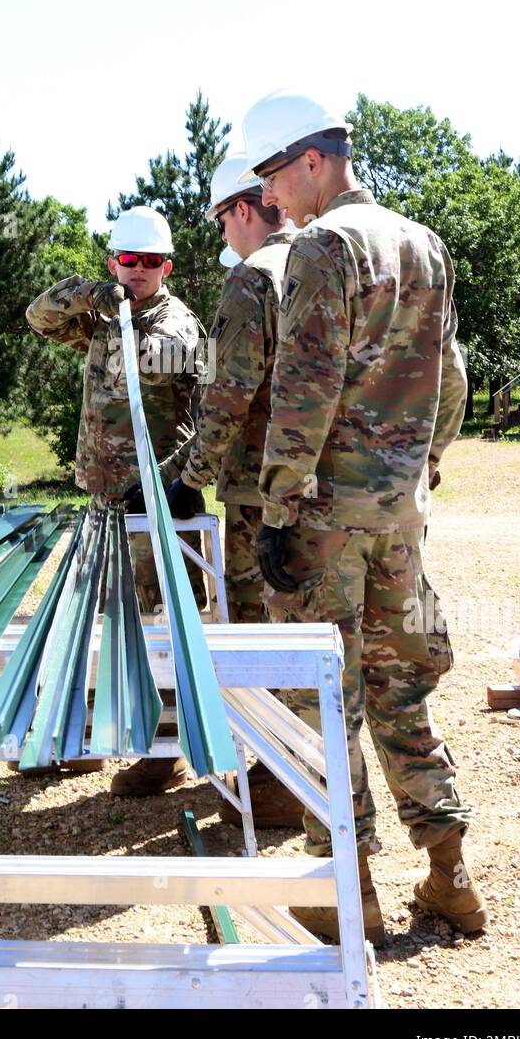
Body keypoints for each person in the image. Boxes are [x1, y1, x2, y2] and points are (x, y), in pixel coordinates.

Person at [238, 89, 487, 944]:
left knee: (321, 703)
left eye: (273, 173)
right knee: (401, 691)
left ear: (314, 159)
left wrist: (276, 510)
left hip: (325, 522)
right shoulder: (425, 243)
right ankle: (450, 874)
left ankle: (351, 897)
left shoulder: (321, 245)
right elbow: (450, 378)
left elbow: (304, 389)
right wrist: (422, 469)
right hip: (401, 518)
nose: (269, 194)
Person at [26, 204, 204, 795]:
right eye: (129, 260)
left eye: (151, 262)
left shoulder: (177, 330)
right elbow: (38, 315)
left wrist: (171, 484)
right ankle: (96, 734)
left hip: (152, 501)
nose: (139, 271)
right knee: (103, 614)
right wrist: (91, 294)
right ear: (114, 261)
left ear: (167, 267)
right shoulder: (104, 317)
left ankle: (168, 747)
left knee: (160, 620)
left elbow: (207, 421)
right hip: (101, 495)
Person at [160, 155, 302, 827]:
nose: (223, 236)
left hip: (259, 493)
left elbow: (225, 398)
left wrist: (185, 483)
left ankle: (278, 778)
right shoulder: (326, 261)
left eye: (221, 222)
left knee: (260, 631)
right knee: (319, 631)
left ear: (243, 209)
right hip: (329, 489)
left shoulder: (253, 280)